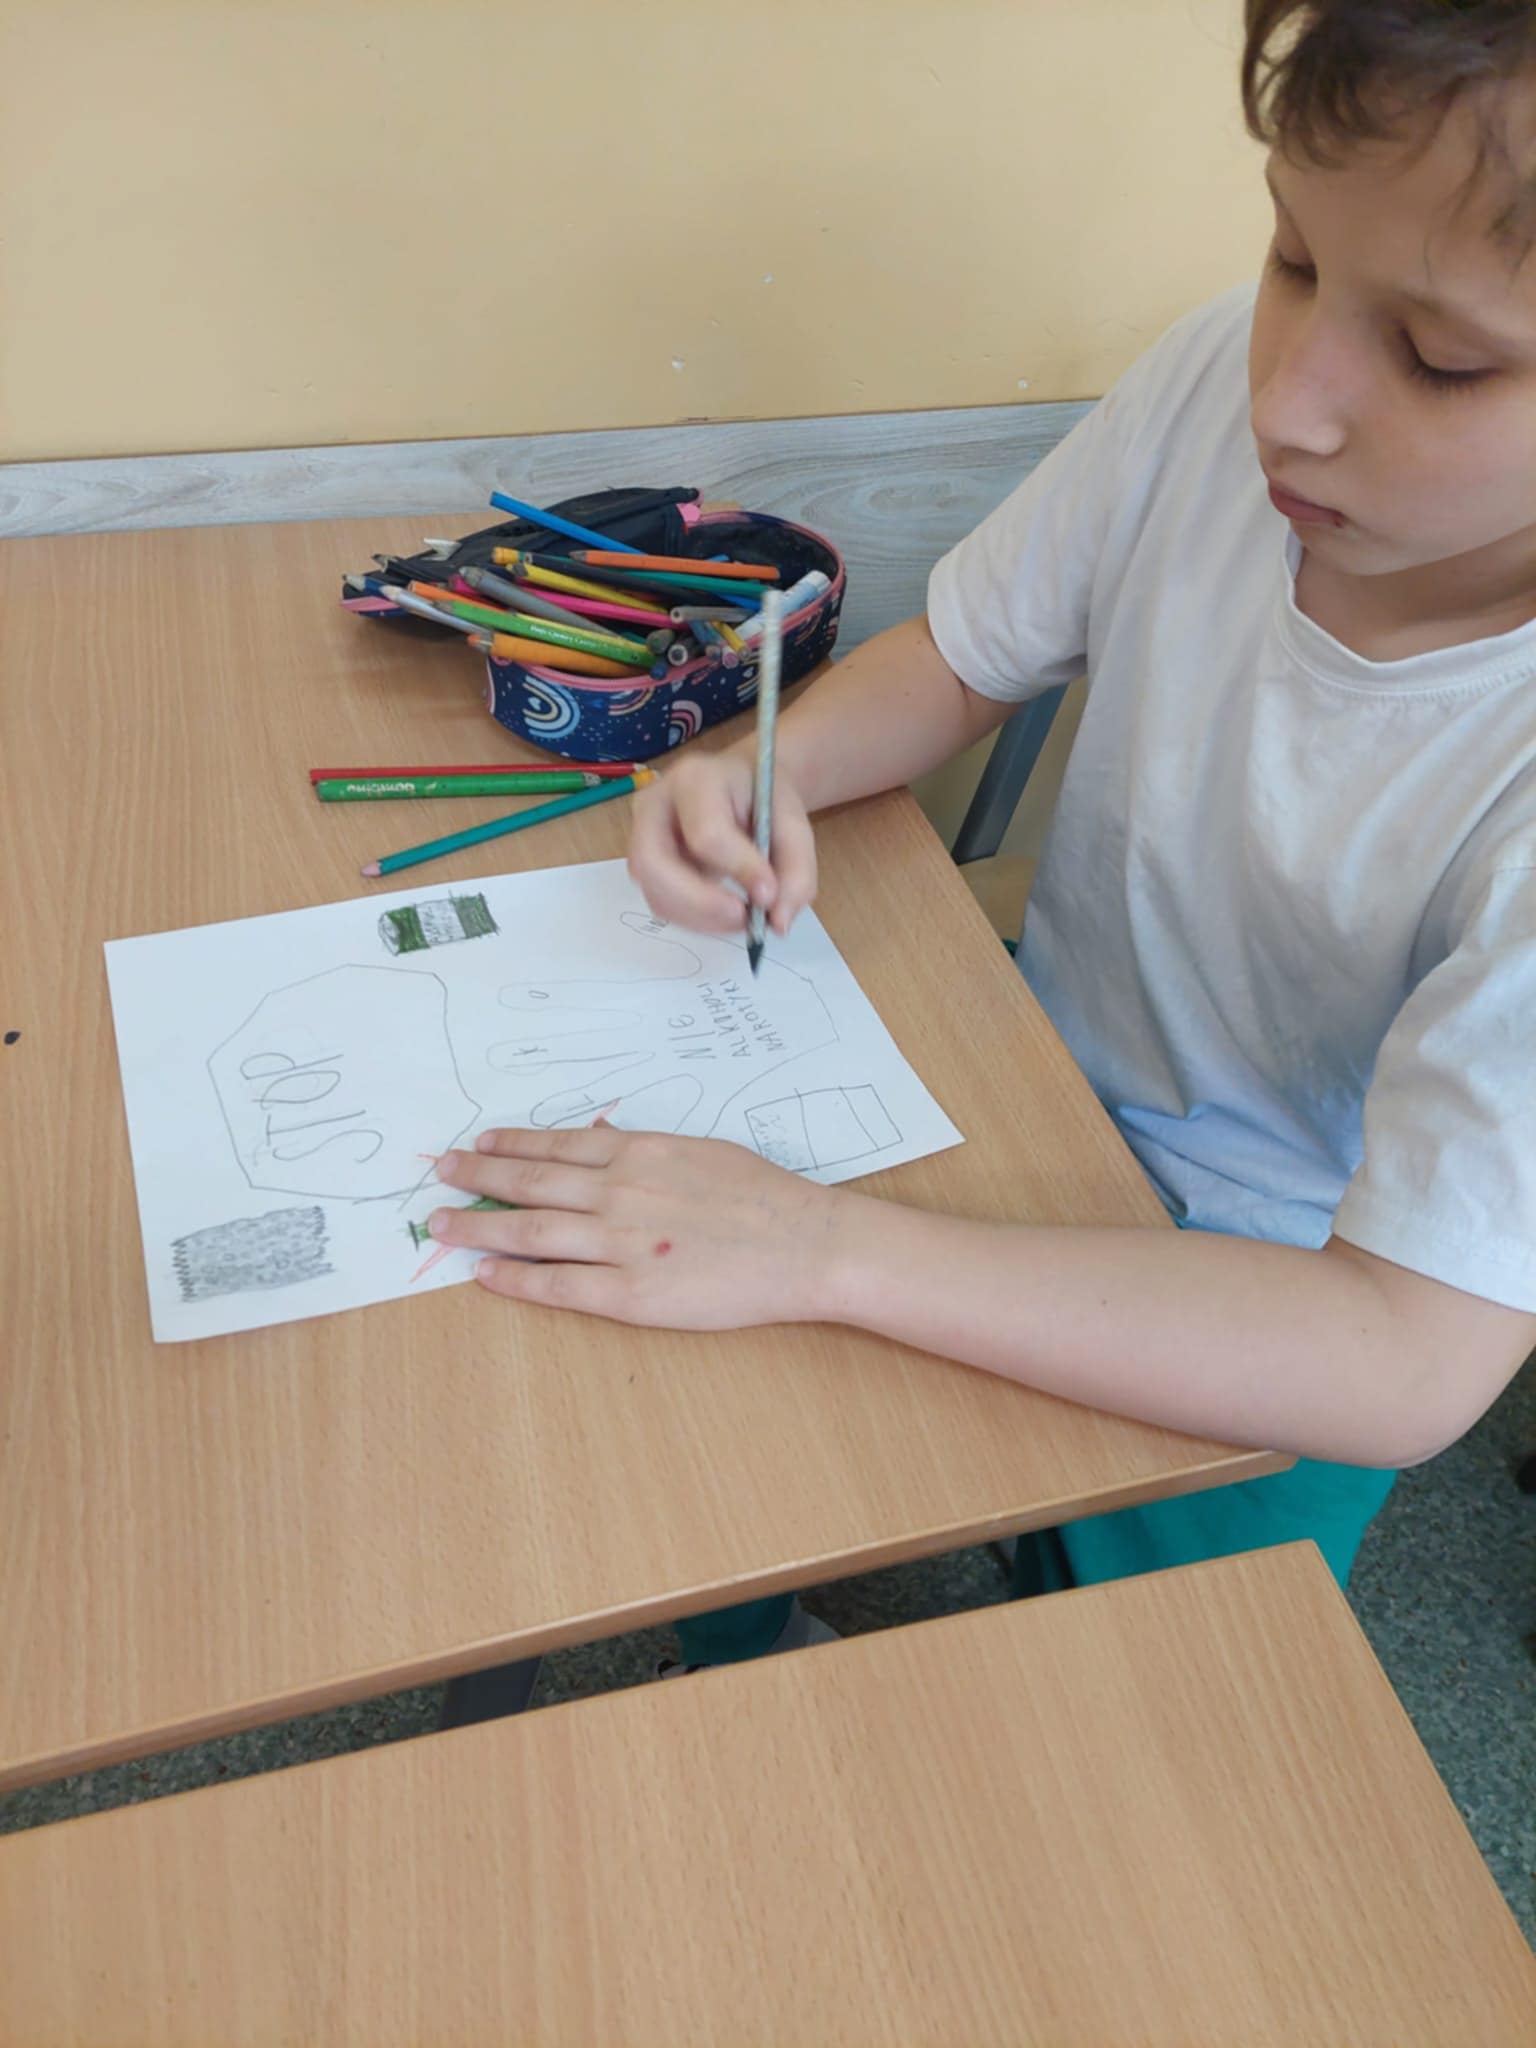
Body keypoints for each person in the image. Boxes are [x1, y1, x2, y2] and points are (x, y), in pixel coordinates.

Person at [429, 0, 1536, 1668]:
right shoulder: (1208, 388)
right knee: (704, 1424)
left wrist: (829, 1251)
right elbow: (961, 660)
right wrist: (769, 767)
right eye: (1295, 259)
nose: (1290, 403)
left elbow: (1404, 1356)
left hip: (1291, 1292)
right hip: (1019, 1079)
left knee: (1135, 1719)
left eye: (1441, 359)